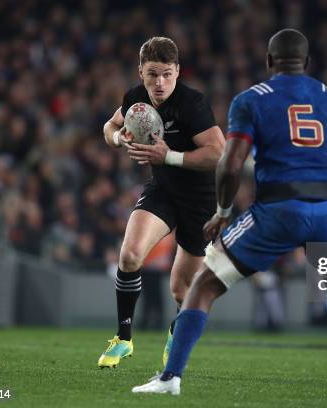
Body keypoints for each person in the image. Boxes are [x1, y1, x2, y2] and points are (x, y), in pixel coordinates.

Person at [131, 29, 327, 398]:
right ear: (307, 64)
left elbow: (230, 165)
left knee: (204, 285)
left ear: (269, 62)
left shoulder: (251, 100)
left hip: (279, 207)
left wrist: (224, 211)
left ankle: (169, 379)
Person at [98, 37, 225, 368]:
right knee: (128, 255)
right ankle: (123, 339)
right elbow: (111, 125)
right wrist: (117, 137)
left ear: (178, 72)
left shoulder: (192, 103)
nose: (160, 83)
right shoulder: (136, 99)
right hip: (164, 190)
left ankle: (175, 333)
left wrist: (170, 156)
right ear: (141, 71)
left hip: (200, 200)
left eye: (167, 74)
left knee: (182, 291)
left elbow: (219, 152)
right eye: (153, 74)